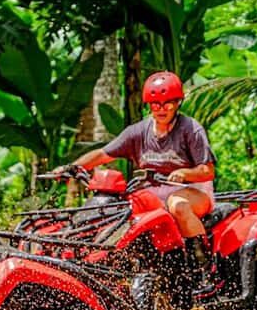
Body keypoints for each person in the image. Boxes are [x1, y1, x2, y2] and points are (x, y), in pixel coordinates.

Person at [65, 71, 217, 289]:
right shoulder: (138, 132)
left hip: (193, 190)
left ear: (177, 103)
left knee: (177, 205)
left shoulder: (191, 129)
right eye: (155, 104)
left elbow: (207, 171)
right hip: (151, 193)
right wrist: (73, 167)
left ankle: (203, 271)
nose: (162, 109)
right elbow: (103, 154)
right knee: (118, 211)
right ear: (149, 105)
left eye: (167, 103)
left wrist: (186, 173)